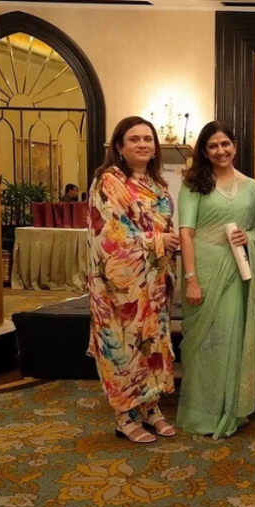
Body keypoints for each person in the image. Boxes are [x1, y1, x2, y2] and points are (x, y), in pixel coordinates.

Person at [87, 116, 178, 444]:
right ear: (120, 147)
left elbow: (163, 225)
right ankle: (124, 416)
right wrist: (156, 241)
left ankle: (151, 408)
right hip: (120, 286)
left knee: (153, 343)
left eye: (148, 139)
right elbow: (108, 236)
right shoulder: (108, 181)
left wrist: (167, 244)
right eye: (134, 139)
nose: (143, 144)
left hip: (152, 283)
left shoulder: (159, 185)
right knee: (124, 346)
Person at [176, 121, 255, 439]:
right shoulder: (193, 184)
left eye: (225, 144)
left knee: (231, 341)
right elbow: (185, 234)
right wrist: (191, 278)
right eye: (213, 145)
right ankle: (202, 413)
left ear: (235, 146)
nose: (220, 150)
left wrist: (248, 237)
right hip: (203, 272)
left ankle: (231, 409)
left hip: (237, 274)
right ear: (204, 150)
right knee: (203, 347)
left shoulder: (253, 187)